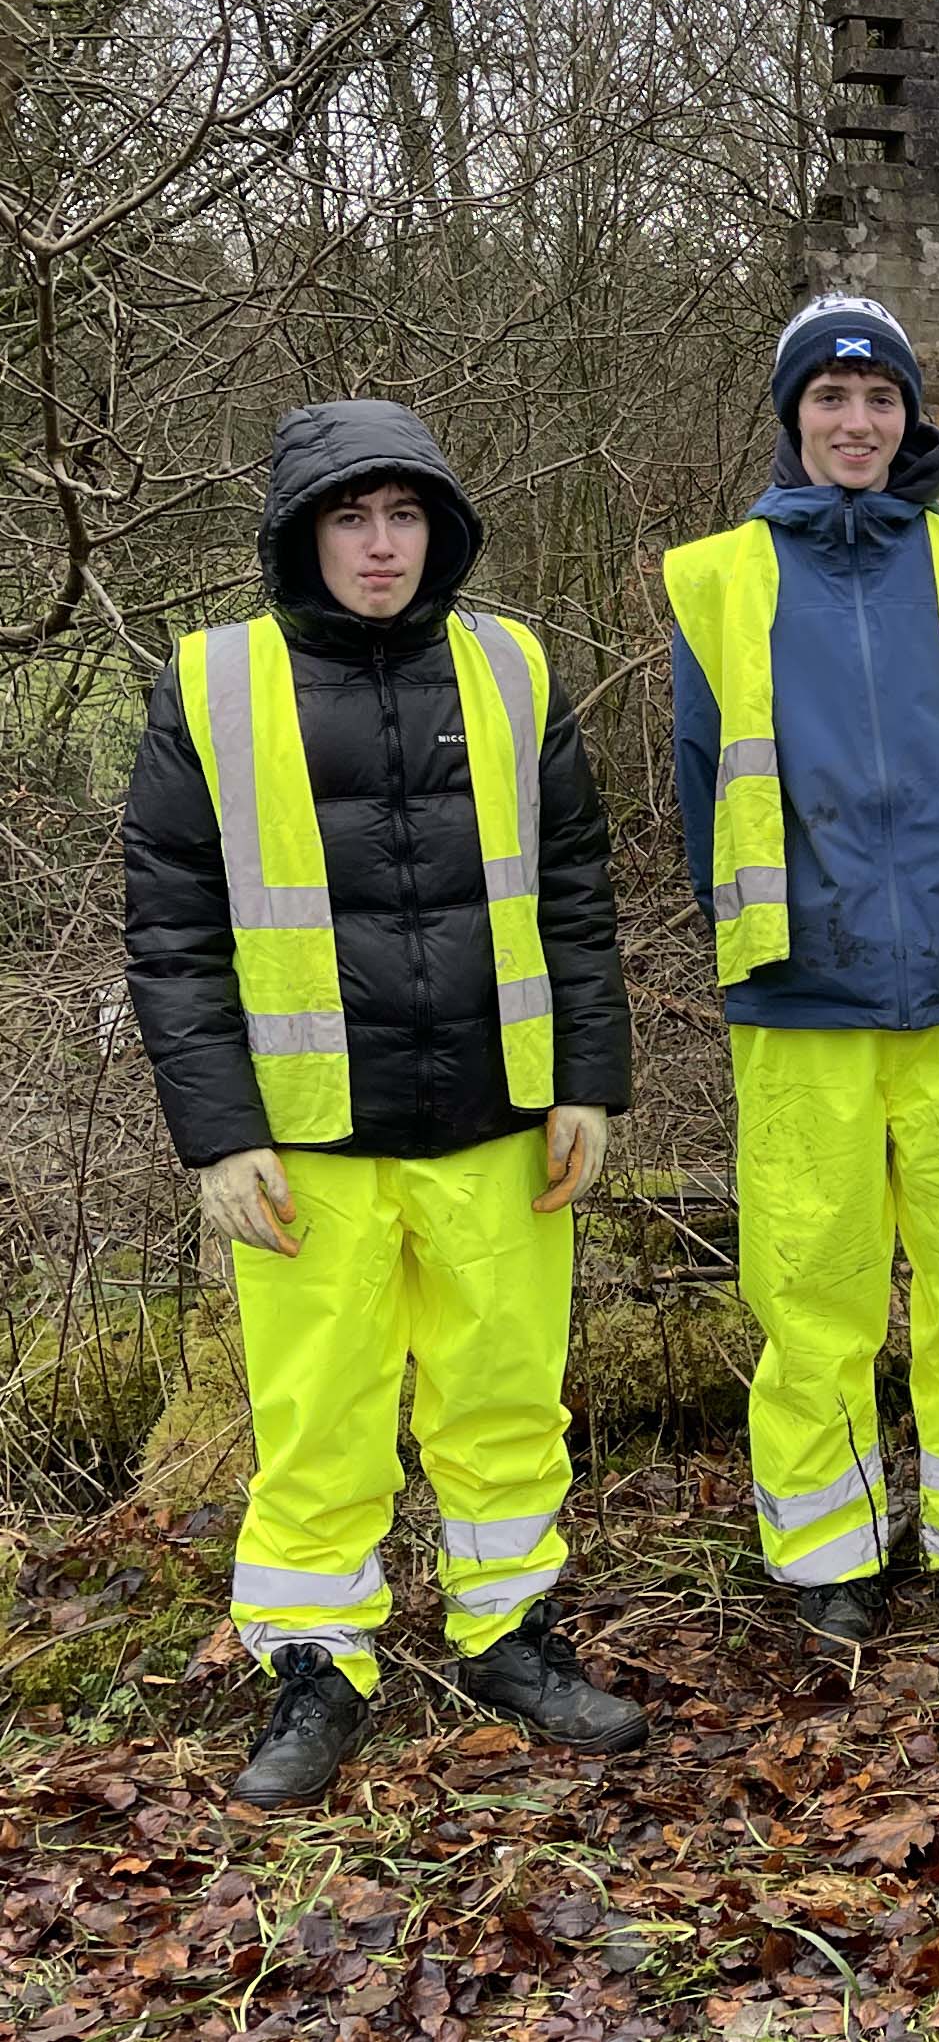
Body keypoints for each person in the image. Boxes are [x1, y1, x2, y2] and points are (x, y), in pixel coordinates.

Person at [122, 400, 642, 1807]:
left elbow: (582, 897)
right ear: (302, 533)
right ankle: (316, 1665)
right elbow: (169, 934)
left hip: (498, 1117)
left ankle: (511, 1635)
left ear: (442, 529)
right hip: (308, 1139)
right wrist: (218, 1131)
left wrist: (589, 1078)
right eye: (351, 517)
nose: (379, 545)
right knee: (318, 1415)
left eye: (404, 515)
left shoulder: (515, 667)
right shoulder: (212, 683)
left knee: (505, 1399)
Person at [667, 294, 939, 1652]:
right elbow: (699, 783)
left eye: (878, 398)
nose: (856, 421)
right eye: (829, 400)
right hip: (801, 985)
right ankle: (828, 1545)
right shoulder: (721, 580)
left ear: (909, 417)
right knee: (812, 1281)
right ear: (793, 419)